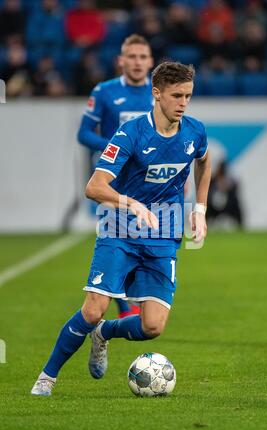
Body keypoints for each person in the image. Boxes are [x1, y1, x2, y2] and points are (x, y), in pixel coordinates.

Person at [31, 61, 211, 397]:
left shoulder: (195, 130)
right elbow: (94, 186)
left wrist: (199, 209)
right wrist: (132, 204)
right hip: (120, 230)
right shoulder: (131, 134)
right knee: (93, 307)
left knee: (153, 326)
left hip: (162, 235)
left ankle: (104, 334)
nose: (183, 103)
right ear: (156, 94)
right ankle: (47, 376)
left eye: (188, 95)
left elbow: (203, 160)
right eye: (176, 95)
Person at [77, 34, 154, 318]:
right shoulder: (104, 92)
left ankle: (127, 303)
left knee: (144, 241)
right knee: (115, 240)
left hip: (147, 184)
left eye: (142, 57)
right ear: (121, 60)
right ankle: (123, 309)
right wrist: (113, 146)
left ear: (151, 62)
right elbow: (84, 133)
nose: (137, 62)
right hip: (113, 181)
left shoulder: (158, 93)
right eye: (131, 56)